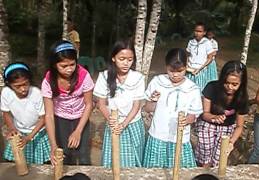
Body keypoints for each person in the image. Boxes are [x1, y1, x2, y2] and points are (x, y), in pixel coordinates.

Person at [143, 48, 203, 168]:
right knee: (156, 172)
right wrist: (153, 100)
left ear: (186, 67)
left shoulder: (192, 89)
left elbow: (193, 116)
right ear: (166, 67)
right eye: (171, 71)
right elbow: (147, 108)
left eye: (180, 71)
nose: (175, 75)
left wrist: (185, 121)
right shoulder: (157, 82)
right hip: (158, 135)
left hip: (179, 138)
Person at [93, 40, 145, 168]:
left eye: (130, 59)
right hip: (112, 122)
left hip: (132, 123)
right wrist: (112, 122)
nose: (126, 63)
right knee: (113, 160)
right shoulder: (104, 76)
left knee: (133, 161)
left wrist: (123, 124)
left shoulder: (137, 78)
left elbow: (136, 106)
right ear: (113, 58)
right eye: (122, 59)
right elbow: (101, 104)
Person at [41, 40, 94, 165]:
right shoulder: (48, 81)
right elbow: (48, 115)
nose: (69, 69)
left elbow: (89, 104)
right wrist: (53, 145)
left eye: (72, 64)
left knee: (83, 156)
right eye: (64, 66)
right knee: (64, 154)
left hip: (81, 118)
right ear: (54, 65)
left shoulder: (84, 76)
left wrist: (78, 131)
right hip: (60, 119)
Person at [195, 60, 249, 168]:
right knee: (205, 157)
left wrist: (231, 142)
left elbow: (239, 126)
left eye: (234, 84)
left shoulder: (242, 98)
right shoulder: (211, 87)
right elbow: (205, 114)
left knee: (219, 160)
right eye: (226, 82)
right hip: (207, 126)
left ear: (241, 83)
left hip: (227, 130)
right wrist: (214, 117)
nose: (230, 87)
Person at [1, 62, 50, 164]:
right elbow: (6, 113)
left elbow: (43, 118)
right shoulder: (6, 93)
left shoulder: (36, 93)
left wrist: (29, 137)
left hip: (37, 132)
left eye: (25, 84)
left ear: (29, 81)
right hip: (20, 131)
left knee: (39, 163)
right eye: (17, 86)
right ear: (9, 85)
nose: (23, 89)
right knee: (19, 162)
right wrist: (12, 128)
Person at [186, 22, 216, 90]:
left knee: (199, 90)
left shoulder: (207, 43)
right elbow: (188, 55)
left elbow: (210, 58)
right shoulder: (191, 42)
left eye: (200, 31)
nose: (197, 33)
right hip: (190, 70)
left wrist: (200, 69)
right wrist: (186, 65)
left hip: (201, 71)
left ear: (204, 32)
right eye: (196, 31)